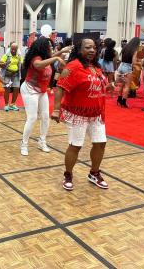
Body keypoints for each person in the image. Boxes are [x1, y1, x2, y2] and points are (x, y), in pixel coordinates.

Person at [51, 38, 114, 191]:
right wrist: (56, 109)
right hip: (77, 113)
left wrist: (109, 86)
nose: (92, 50)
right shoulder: (73, 67)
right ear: (79, 50)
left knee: (101, 143)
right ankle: (68, 174)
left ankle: (94, 173)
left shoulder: (96, 67)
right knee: (76, 145)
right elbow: (60, 87)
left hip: (96, 113)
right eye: (87, 47)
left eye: (94, 47)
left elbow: (97, 85)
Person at [20, 37, 69, 156]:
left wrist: (62, 51)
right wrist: (57, 57)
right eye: (49, 46)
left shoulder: (46, 56)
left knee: (46, 117)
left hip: (41, 91)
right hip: (30, 90)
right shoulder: (35, 58)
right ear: (42, 47)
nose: (51, 48)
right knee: (32, 118)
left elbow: (52, 55)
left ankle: (42, 141)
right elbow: (38, 65)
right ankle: (24, 144)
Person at [116, 37, 141, 108]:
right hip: (127, 68)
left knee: (121, 85)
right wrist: (139, 61)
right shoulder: (134, 51)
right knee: (127, 86)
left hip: (121, 66)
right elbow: (133, 62)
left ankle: (119, 99)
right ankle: (124, 102)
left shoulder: (125, 48)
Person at [0, 42, 23, 111]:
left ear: (17, 49)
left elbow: (21, 63)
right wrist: (4, 64)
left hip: (16, 75)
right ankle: (6, 105)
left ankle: (13, 104)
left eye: (14, 49)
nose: (13, 51)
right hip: (7, 75)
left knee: (16, 89)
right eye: (12, 49)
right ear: (10, 48)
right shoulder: (6, 55)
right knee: (7, 89)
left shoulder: (19, 56)